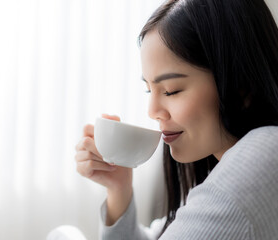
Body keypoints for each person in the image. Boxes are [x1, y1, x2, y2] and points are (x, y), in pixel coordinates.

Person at [75, 0, 278, 239]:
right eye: (150, 90)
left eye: (171, 90)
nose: (152, 111)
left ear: (241, 85)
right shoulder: (224, 171)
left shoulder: (264, 152)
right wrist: (119, 188)